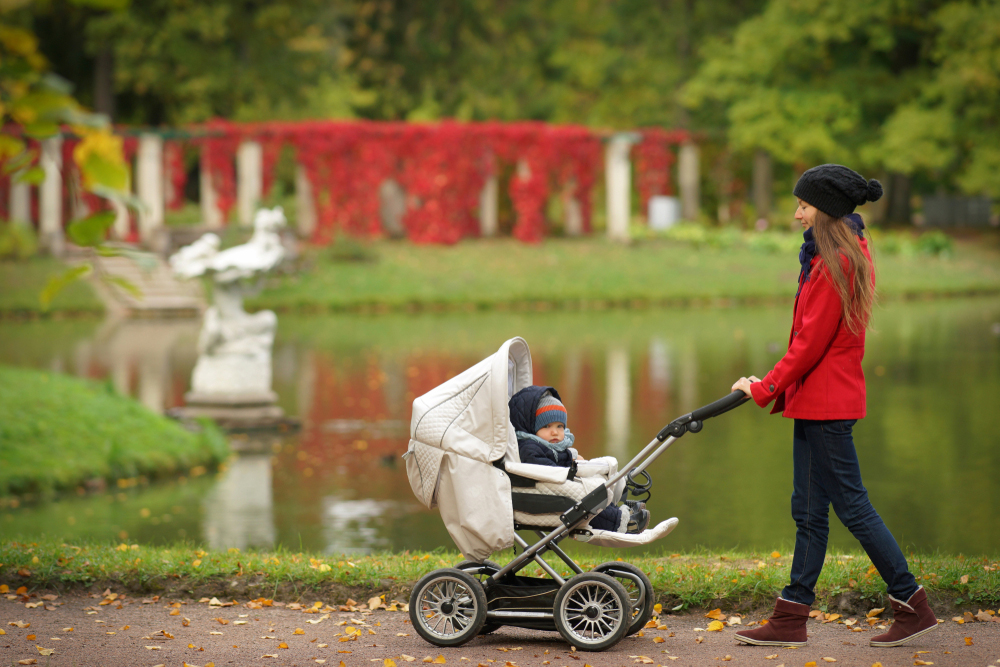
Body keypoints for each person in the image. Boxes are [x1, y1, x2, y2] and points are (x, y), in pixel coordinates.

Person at [731, 164, 937, 649]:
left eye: (803, 205)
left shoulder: (835, 263)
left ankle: (912, 604)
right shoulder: (832, 254)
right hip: (816, 400)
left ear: (823, 209)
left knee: (853, 507)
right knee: (807, 510)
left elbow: (809, 345)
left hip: (826, 402)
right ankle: (790, 616)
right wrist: (777, 385)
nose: (796, 213)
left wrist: (763, 388)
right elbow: (809, 342)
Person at [508, 385, 649, 534]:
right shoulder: (528, 447)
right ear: (531, 428)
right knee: (587, 501)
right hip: (546, 492)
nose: (555, 432)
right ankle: (622, 522)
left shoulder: (550, 445)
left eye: (559, 426)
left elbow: (558, 458)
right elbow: (543, 468)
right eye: (546, 426)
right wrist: (570, 466)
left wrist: (572, 458)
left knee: (594, 488)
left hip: (555, 489)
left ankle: (617, 505)